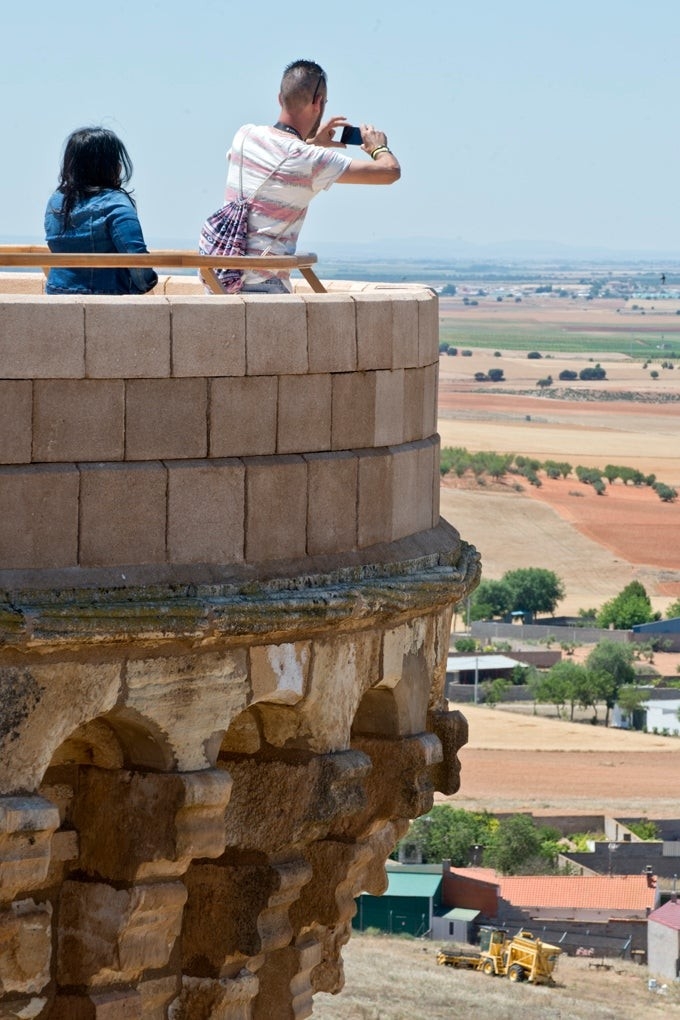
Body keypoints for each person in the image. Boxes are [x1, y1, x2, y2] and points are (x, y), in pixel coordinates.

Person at [224, 59, 401, 293]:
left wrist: (312, 142)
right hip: (264, 284)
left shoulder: (245, 136)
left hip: (224, 277)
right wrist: (378, 147)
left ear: (280, 98)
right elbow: (389, 172)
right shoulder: (311, 159)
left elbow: (280, 158)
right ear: (318, 103)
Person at [44, 127, 157, 295]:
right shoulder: (115, 202)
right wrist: (147, 283)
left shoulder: (57, 200)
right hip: (107, 298)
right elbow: (135, 257)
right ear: (108, 165)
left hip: (56, 293)